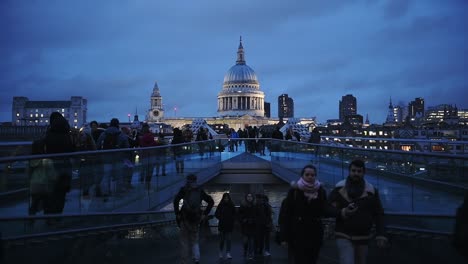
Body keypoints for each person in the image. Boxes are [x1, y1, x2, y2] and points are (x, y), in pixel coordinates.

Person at [328, 159, 387, 264]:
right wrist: (342, 212)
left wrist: (381, 234)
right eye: (353, 171)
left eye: (359, 171)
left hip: (363, 236)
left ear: (364, 172)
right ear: (349, 171)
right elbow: (327, 209)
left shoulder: (371, 191)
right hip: (343, 234)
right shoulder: (339, 188)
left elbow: (378, 213)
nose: (356, 173)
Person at [279, 164, 338, 264]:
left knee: (312, 260)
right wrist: (284, 237)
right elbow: (286, 215)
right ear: (302, 176)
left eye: (313, 175)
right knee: (299, 260)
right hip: (297, 233)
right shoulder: (294, 191)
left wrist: (340, 212)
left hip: (315, 233)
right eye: (307, 174)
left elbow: (325, 209)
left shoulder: (320, 191)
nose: (310, 177)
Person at [173, 174, 214, 264]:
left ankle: (184, 261)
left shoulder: (183, 189)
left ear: (187, 180)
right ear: (196, 180)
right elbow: (211, 201)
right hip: (196, 219)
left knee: (184, 241)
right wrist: (205, 214)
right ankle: (196, 258)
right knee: (194, 240)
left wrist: (178, 213)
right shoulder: (200, 190)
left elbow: (176, 200)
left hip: (184, 219)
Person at [215, 192, 236, 259]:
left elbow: (234, 214)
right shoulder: (221, 205)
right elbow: (216, 214)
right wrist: (221, 218)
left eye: (227, 198)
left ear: (228, 198)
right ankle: (221, 252)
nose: (226, 199)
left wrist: (232, 219)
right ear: (223, 198)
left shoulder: (231, 205)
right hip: (222, 224)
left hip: (228, 225)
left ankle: (227, 253)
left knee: (228, 239)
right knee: (222, 240)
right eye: (225, 198)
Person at [239, 193, 256, 260]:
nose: (249, 198)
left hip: (252, 226)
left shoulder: (254, 206)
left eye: (250, 196)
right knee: (245, 241)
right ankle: (246, 251)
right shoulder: (243, 206)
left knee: (251, 241)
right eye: (248, 196)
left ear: (252, 198)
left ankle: (250, 254)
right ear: (246, 198)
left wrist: (253, 220)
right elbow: (239, 215)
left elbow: (257, 215)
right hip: (245, 226)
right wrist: (243, 220)